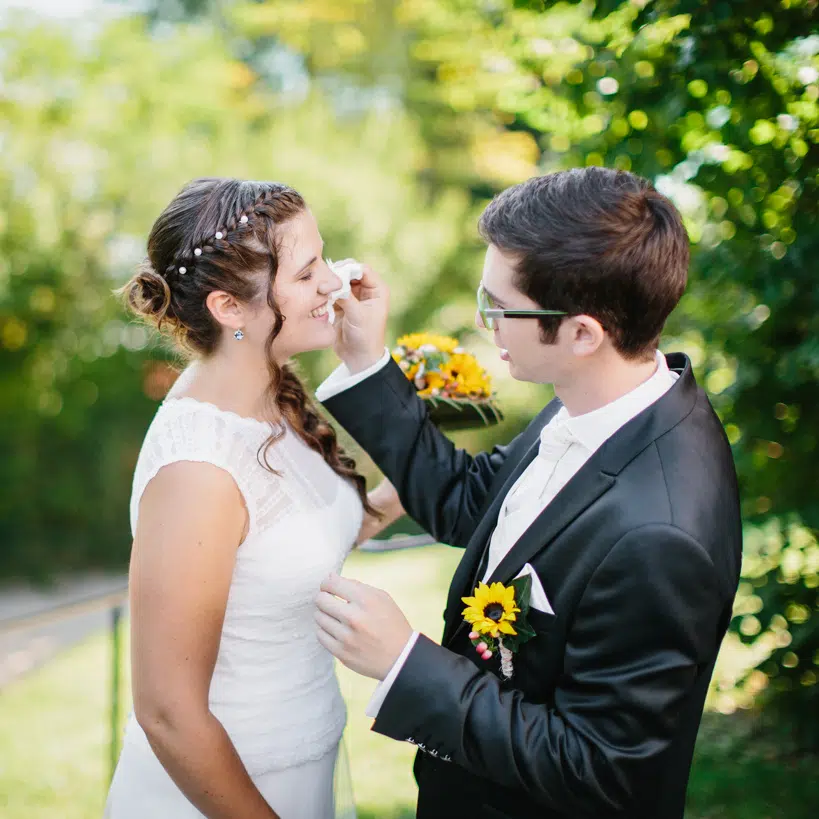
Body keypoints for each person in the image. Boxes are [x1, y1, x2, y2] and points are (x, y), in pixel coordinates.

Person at [313, 167, 743, 819]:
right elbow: (472, 500)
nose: (486, 324)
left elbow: (601, 768)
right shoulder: (601, 398)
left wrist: (406, 661)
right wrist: (366, 363)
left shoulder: (659, 533)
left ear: (580, 332)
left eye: (498, 308)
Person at [104, 178, 403, 819]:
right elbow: (168, 714)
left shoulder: (269, 397)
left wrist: (409, 482)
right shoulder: (198, 469)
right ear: (230, 308)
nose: (332, 282)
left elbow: (289, 548)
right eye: (306, 273)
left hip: (305, 765)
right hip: (223, 793)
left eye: (323, 256)